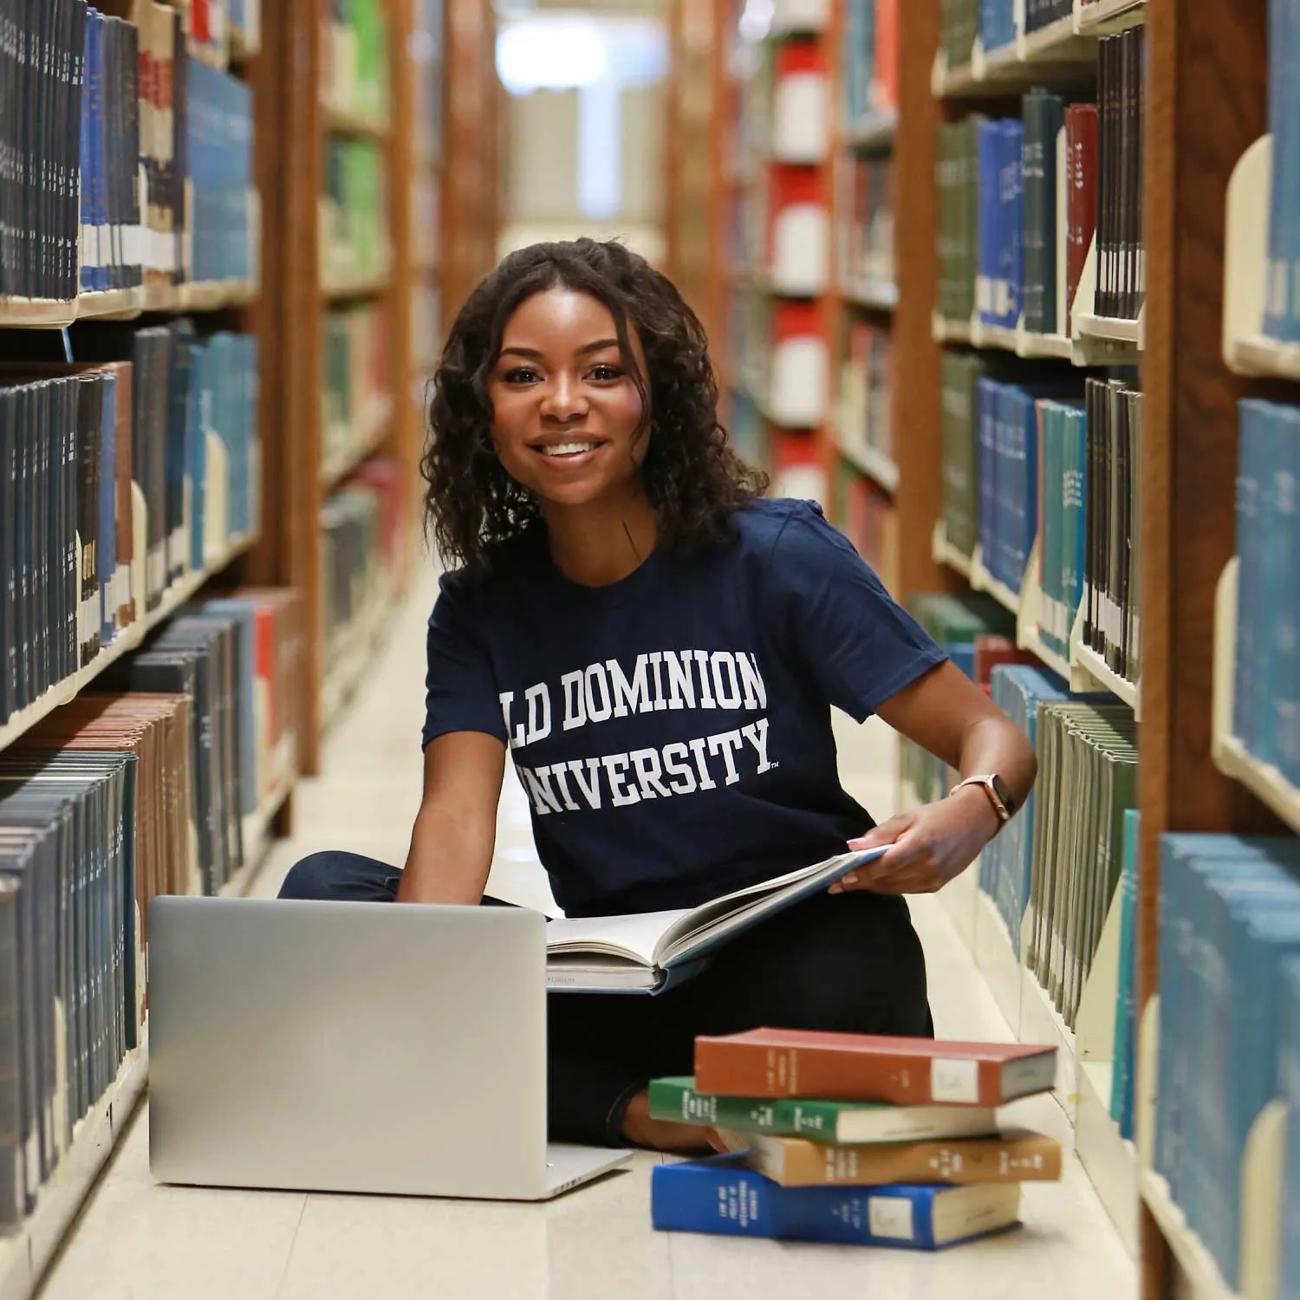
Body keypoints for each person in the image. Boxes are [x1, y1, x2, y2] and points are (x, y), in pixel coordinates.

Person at [280, 238, 1037, 1153]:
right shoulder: (481, 606)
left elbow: (991, 735)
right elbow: (454, 819)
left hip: (790, 964)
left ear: (655, 399)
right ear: (484, 411)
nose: (563, 403)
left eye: (602, 371)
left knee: (855, 974)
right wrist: (422, 974)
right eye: (524, 376)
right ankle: (665, 1112)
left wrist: (972, 808)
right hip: (620, 980)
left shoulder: (777, 557)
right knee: (325, 897)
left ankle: (586, 1095)